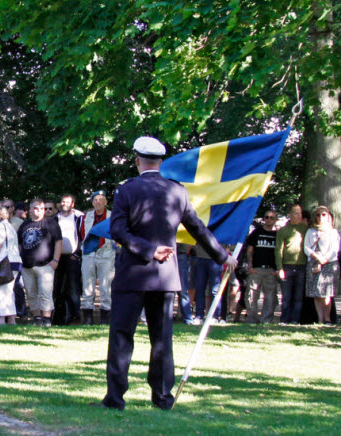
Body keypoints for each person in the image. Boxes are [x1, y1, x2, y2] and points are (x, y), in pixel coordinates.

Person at [97, 136, 233, 411]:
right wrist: (223, 256)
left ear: (137, 161)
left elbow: (118, 231)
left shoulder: (127, 191)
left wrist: (148, 250)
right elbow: (197, 228)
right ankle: (162, 397)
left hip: (133, 274)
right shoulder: (177, 191)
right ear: (160, 162)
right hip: (165, 275)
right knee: (162, 339)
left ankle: (115, 398)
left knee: (122, 336)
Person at [18, 198, 62, 327]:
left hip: (45, 265)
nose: (40, 210)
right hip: (27, 267)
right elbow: (19, 244)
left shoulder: (51, 223)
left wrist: (55, 260)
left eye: (42, 208)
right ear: (31, 209)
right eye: (36, 208)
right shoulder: (24, 225)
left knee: (45, 293)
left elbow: (58, 242)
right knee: (31, 294)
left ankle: (47, 319)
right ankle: (37, 318)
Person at [81, 190, 115, 324]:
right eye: (95, 200)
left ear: (106, 202)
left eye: (101, 199)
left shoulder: (112, 216)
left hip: (106, 254)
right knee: (87, 285)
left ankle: (105, 318)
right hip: (89, 253)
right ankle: (88, 317)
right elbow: (83, 233)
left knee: (105, 286)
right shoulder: (86, 216)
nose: (98, 202)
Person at [304, 206, 341, 324]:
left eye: (323, 214)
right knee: (316, 293)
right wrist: (316, 257)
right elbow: (306, 248)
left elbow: (335, 249)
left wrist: (323, 260)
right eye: (318, 215)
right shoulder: (311, 231)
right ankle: (320, 319)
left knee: (326, 294)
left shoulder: (333, 232)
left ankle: (328, 318)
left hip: (329, 264)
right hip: (314, 262)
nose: (321, 217)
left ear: (329, 216)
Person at [243, 211, 280, 323]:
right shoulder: (256, 232)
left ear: (275, 220)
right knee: (252, 295)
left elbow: (281, 253)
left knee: (270, 297)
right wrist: (250, 266)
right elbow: (249, 250)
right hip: (256, 269)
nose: (269, 219)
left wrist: (278, 269)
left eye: (272, 218)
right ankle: (252, 319)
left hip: (271, 270)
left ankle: (266, 320)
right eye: (267, 217)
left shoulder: (278, 234)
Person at [53, 194, 84, 325]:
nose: (64, 203)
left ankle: (75, 317)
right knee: (57, 288)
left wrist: (77, 254)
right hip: (58, 258)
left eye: (67, 202)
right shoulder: (55, 218)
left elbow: (83, 236)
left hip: (73, 258)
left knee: (73, 289)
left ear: (73, 204)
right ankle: (59, 318)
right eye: (62, 201)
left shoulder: (79, 217)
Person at [0, 205, 21, 325]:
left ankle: (1, 319)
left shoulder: (0, 226)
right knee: (9, 291)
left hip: (4, 262)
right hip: (14, 262)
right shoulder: (10, 227)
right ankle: (11, 319)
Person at [275, 204, 307, 324]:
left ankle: (295, 319)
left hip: (301, 267)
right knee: (286, 296)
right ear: (290, 215)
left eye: (300, 214)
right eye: (296, 213)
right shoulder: (283, 231)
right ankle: (284, 319)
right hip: (287, 266)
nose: (299, 216)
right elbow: (278, 250)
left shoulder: (305, 229)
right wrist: (280, 268)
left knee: (298, 296)